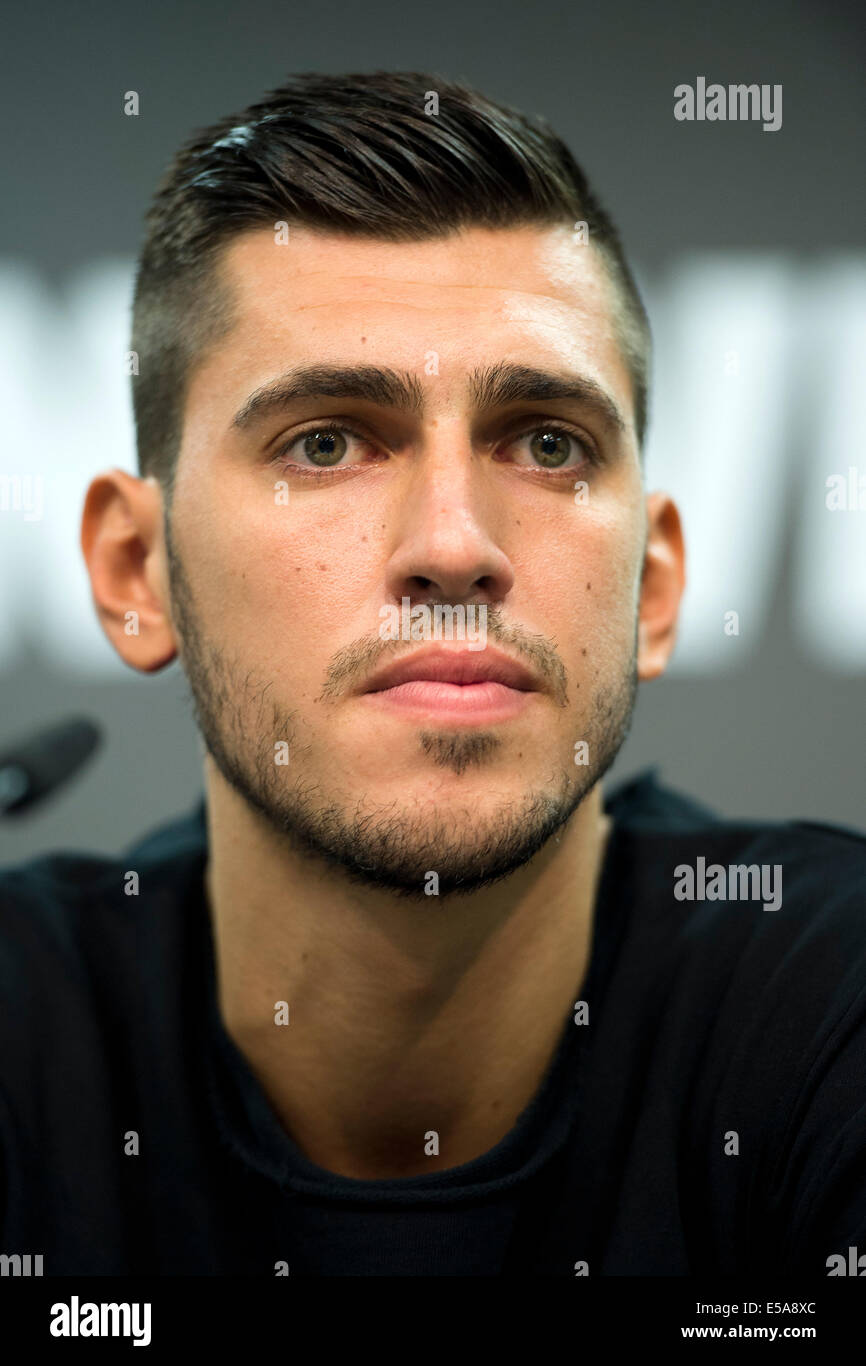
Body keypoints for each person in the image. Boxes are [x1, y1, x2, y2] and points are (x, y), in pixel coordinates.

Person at [1, 70, 863, 1278]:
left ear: (652, 591)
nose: (454, 544)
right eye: (327, 440)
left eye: (546, 443)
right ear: (136, 568)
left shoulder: (830, 997)